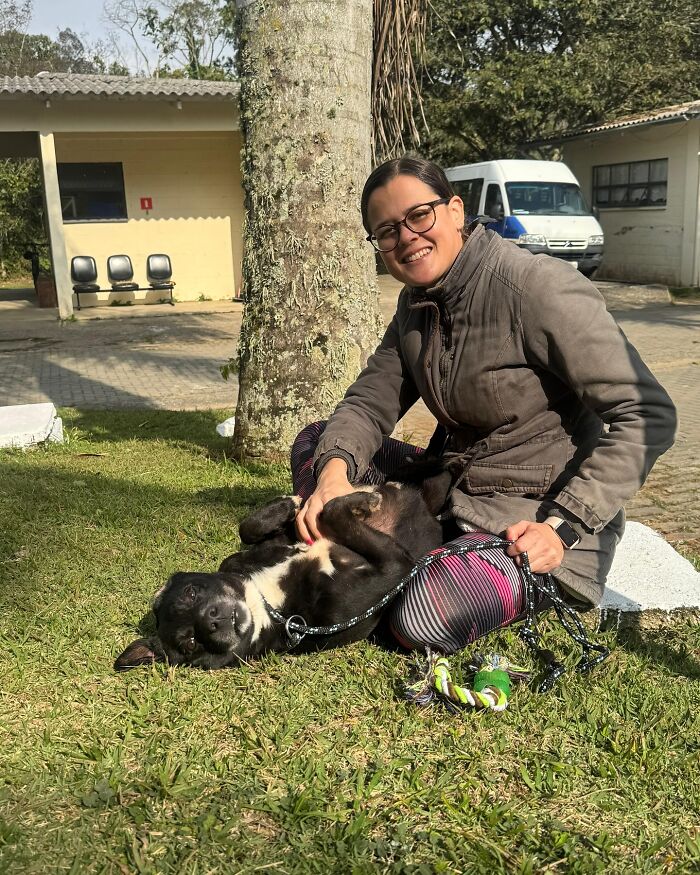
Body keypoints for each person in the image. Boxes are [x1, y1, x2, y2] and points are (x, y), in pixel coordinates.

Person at [291, 156, 676, 654]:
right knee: (318, 444)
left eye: (419, 215)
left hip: (537, 522)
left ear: (455, 210)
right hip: (452, 495)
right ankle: (388, 547)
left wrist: (563, 526)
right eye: (386, 231)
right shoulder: (416, 303)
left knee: (422, 617)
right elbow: (368, 403)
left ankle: (384, 558)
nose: (406, 237)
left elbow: (647, 414)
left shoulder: (537, 288)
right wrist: (332, 478)